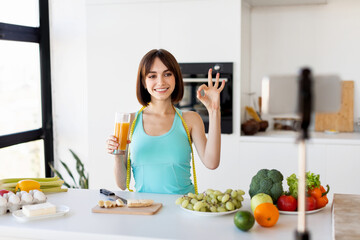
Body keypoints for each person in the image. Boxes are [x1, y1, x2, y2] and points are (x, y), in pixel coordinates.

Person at [106, 49, 225, 194]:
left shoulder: (190, 119)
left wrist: (214, 110)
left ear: (176, 78)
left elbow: (212, 163)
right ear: (144, 82)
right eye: (152, 76)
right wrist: (117, 155)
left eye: (167, 74)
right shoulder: (129, 121)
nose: (160, 82)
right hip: (145, 211)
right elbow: (122, 184)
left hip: (183, 210)